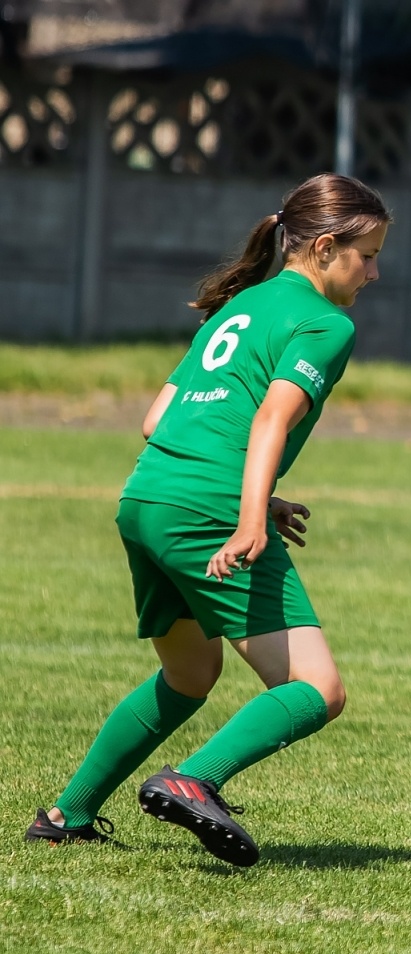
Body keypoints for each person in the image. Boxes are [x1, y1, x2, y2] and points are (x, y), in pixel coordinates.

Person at [23, 173, 392, 868]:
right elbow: (270, 419)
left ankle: (66, 814)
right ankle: (194, 780)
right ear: (323, 248)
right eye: (366, 255)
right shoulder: (327, 324)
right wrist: (250, 516)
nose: (373, 273)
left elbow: (157, 419)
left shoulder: (238, 306)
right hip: (209, 507)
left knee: (190, 673)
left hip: (147, 497)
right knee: (318, 689)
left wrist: (250, 493)